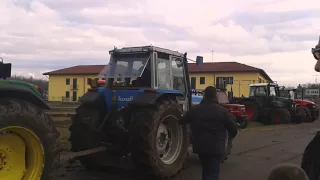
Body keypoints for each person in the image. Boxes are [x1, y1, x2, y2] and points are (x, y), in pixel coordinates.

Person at [180, 86, 238, 180]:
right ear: (215, 96)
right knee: (212, 174)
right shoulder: (222, 111)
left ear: (204, 95)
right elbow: (233, 129)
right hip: (215, 149)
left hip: (200, 148)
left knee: (206, 172)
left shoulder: (195, 110)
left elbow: (182, 120)